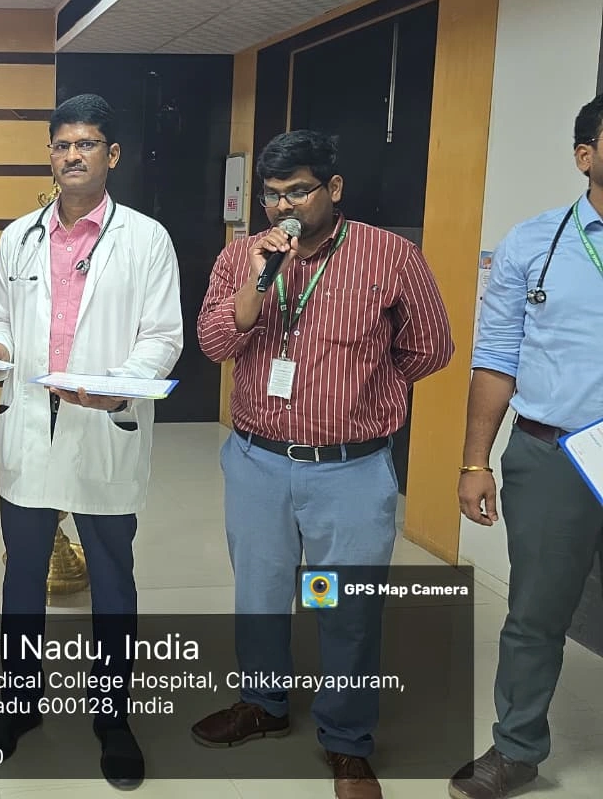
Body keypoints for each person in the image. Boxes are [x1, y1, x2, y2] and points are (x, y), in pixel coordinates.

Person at [194, 129, 453, 799]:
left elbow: (430, 347)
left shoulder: (390, 256)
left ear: (333, 189)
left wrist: (367, 390)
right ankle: (264, 704)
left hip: (349, 469)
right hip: (257, 461)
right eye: (272, 194)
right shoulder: (241, 256)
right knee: (259, 595)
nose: (285, 206)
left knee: (344, 607)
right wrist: (258, 280)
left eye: (299, 191)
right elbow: (214, 342)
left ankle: (346, 739)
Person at [0, 93, 183, 789]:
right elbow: (2, 320)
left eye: (86, 144)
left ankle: (112, 717)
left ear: (111, 155)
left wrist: (122, 387)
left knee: (112, 579)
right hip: (30, 425)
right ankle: (18, 705)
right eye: (61, 145)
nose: (72, 156)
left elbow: (163, 336)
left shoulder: (146, 238)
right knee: (22, 576)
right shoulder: (18, 236)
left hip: (103, 423)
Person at [448, 93, 603, 799]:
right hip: (554, 455)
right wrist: (474, 460)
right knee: (536, 614)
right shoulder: (534, 243)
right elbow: (495, 359)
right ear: (585, 156)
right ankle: (516, 749)